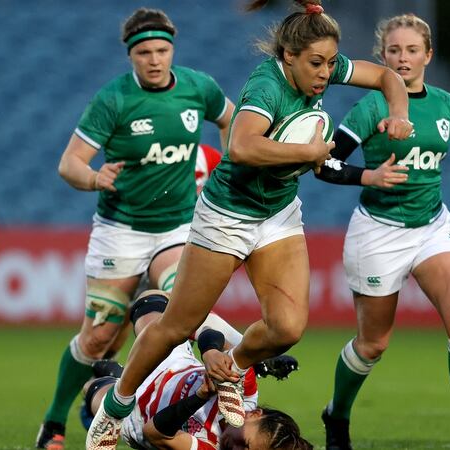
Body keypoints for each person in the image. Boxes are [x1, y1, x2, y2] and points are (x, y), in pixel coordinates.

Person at [86, 1, 413, 448]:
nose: (325, 73)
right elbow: (241, 147)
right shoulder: (266, 86)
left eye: (331, 63)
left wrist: (400, 114)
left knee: (287, 329)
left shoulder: (323, 68)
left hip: (276, 214)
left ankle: (232, 371)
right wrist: (309, 153)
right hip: (227, 216)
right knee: (178, 327)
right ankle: (115, 407)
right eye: (316, 63)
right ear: (288, 57)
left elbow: (386, 76)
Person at [36, 8, 235, 448]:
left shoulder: (198, 88)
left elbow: (229, 118)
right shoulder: (114, 100)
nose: (154, 59)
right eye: (144, 52)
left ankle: (217, 380)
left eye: (162, 50)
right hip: (120, 230)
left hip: (177, 228)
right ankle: (53, 421)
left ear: (172, 50)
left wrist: (229, 167)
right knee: (99, 337)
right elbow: (69, 163)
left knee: (181, 311)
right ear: (131, 55)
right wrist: (93, 178)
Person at [313, 14, 450, 450]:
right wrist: (369, 177)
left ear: (428, 55)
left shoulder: (447, 105)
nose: (403, 58)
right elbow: (324, 164)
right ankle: (336, 416)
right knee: (373, 344)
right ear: (382, 56)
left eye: (412, 50)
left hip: (431, 227)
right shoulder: (371, 106)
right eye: (394, 50)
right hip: (378, 232)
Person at [75, 290, 308, 450]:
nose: (234, 448)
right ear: (255, 414)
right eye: (244, 443)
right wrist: (210, 353)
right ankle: (256, 357)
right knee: (149, 300)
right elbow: (211, 335)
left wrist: (200, 397)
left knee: (90, 390)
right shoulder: (243, 393)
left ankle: (119, 377)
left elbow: (154, 432)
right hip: (171, 363)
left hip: (137, 415)